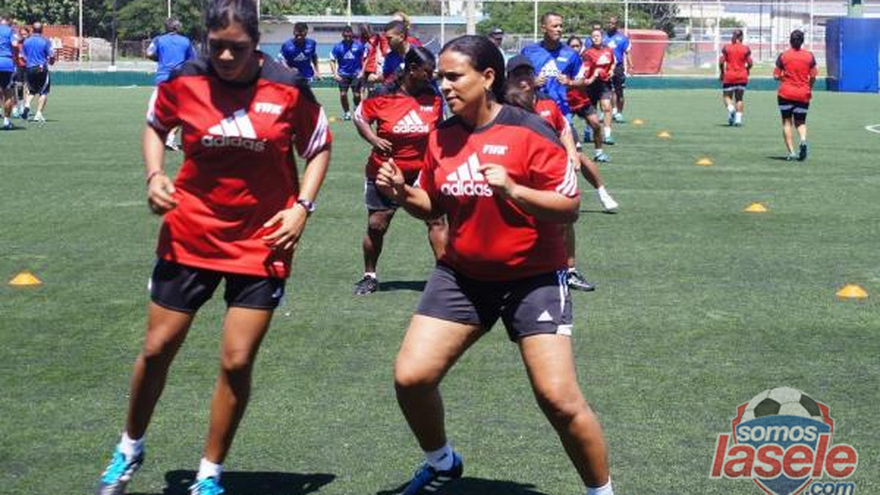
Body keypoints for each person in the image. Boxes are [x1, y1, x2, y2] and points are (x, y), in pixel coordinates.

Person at [94, 1, 332, 495]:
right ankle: (129, 447)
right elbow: (156, 126)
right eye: (216, 46)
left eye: (238, 48)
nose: (225, 57)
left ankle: (209, 473)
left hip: (262, 241)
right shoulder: (185, 78)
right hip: (190, 233)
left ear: (256, 42)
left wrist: (301, 208)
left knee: (237, 361)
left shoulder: (287, 85)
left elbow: (319, 146)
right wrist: (155, 174)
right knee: (158, 349)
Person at [376, 35, 614, 495]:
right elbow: (434, 206)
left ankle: (601, 492)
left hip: (535, 279)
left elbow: (568, 207)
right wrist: (401, 194)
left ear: (487, 78)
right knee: (411, 378)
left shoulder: (531, 132)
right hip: (463, 276)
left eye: (453, 76)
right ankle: (443, 462)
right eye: (440, 76)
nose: (443, 85)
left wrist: (513, 190)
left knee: (559, 399)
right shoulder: (441, 137)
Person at [505, 54, 618, 292]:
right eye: (517, 75)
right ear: (508, 79)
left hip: (547, 173)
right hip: (515, 174)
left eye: (527, 73)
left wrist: (572, 154)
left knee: (563, 219)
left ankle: (569, 270)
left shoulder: (547, 105)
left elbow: (564, 130)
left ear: (534, 77)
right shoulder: (501, 107)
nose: (523, 79)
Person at [351, 47, 446, 296]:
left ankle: (446, 277)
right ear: (412, 69)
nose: (431, 76)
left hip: (423, 172)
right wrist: (373, 139)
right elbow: (359, 117)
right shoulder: (383, 93)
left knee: (436, 220)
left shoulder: (434, 95)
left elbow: (440, 128)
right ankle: (369, 275)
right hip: (385, 171)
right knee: (377, 224)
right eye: (427, 71)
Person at [520, 12, 581, 122]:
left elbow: (583, 81)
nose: (559, 29)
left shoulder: (571, 54)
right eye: (555, 26)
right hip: (534, 109)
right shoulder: (529, 52)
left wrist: (570, 82)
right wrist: (532, 82)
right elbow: (516, 80)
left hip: (562, 110)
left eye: (561, 26)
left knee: (568, 138)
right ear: (544, 28)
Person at [146, 17, 196, 150]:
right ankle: (170, 138)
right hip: (180, 79)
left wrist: (159, 58)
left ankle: (159, 138)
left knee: (161, 111)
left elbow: (149, 53)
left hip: (161, 79)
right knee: (183, 111)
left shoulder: (158, 39)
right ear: (177, 27)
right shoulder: (185, 41)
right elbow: (193, 60)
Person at [570, 28, 615, 162]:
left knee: (605, 108)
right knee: (567, 123)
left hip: (602, 84)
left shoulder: (608, 51)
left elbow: (612, 63)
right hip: (584, 89)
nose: (595, 38)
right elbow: (585, 77)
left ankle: (605, 138)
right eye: (593, 36)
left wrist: (610, 71)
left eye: (598, 36)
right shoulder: (586, 54)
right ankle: (577, 141)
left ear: (602, 37)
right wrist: (592, 76)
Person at [774, 29, 816, 162]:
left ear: (790, 41)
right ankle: (803, 140)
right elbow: (814, 75)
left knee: (787, 122)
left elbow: (776, 75)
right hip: (803, 93)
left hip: (785, 93)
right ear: (802, 41)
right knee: (801, 122)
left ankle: (792, 152)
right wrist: (809, 87)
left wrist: (784, 78)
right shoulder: (809, 56)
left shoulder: (783, 56)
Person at [20, 21, 54, 124]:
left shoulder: (26, 42)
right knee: (43, 92)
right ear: (42, 30)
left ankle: (26, 106)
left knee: (31, 90)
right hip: (41, 68)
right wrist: (51, 61)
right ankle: (38, 114)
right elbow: (51, 55)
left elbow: (23, 56)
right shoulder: (46, 41)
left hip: (29, 68)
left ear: (32, 29)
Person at [329, 25, 365, 121]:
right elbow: (332, 60)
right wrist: (335, 74)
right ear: (342, 35)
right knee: (343, 94)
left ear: (352, 35)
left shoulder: (359, 45)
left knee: (357, 95)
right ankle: (347, 113)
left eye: (349, 36)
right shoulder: (338, 47)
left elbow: (366, 58)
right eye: (345, 36)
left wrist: (362, 71)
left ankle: (357, 110)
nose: (348, 38)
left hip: (356, 74)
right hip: (343, 74)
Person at [718, 29, 752, 127]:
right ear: (741, 37)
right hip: (742, 76)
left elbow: (721, 62)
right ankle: (738, 120)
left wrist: (722, 73)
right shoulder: (746, 48)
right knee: (739, 98)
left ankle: (731, 109)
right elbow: (750, 63)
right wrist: (747, 69)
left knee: (726, 96)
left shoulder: (727, 48)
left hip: (729, 76)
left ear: (733, 36)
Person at [604, 17, 631, 123]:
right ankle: (605, 111)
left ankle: (619, 113)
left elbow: (627, 53)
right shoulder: (602, 37)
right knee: (605, 91)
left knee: (619, 91)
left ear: (617, 25)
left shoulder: (623, 38)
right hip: (605, 67)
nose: (610, 25)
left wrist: (631, 65)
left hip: (618, 67)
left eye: (613, 23)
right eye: (609, 23)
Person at [380, 20, 412, 84]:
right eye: (386, 39)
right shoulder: (390, 57)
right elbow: (386, 77)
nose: (387, 42)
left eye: (389, 38)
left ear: (401, 37)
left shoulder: (417, 53)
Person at [0, 14, 16, 130]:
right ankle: (6, 121)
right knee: (8, 94)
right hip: (6, 62)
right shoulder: (10, 30)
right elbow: (15, 44)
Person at [12, 26, 28, 119]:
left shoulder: (29, 43)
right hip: (18, 66)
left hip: (28, 67)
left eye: (25, 34)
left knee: (27, 88)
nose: (23, 36)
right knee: (18, 86)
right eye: (22, 34)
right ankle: (15, 107)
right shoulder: (16, 43)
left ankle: (23, 107)